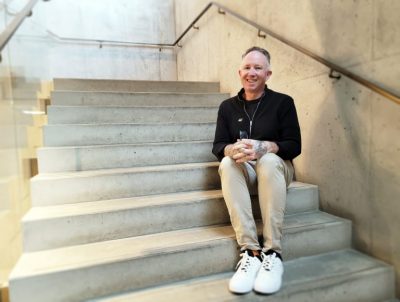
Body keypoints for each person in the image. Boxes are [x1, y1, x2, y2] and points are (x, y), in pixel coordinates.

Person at [212, 46, 301, 294]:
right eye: (247, 67)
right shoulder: (227, 107)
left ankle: (273, 252)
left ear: (268, 74)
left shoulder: (283, 102)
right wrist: (232, 150)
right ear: (239, 72)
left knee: (270, 160)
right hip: (244, 170)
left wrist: (266, 147)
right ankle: (250, 251)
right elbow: (218, 146)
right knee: (227, 163)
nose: (252, 73)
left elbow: (294, 145)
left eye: (258, 68)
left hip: (276, 169)